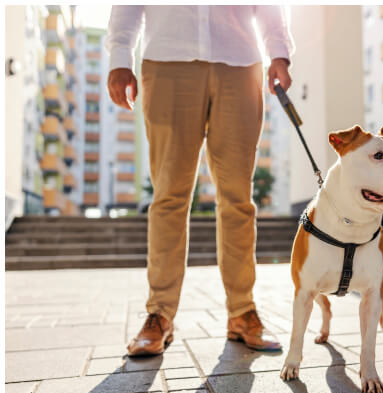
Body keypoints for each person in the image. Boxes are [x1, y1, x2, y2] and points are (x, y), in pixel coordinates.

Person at [106, 6, 294, 356]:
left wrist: (279, 51)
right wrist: (120, 57)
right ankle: (159, 315)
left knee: (238, 198)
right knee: (169, 196)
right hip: (167, 60)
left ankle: (242, 311)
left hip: (239, 61)